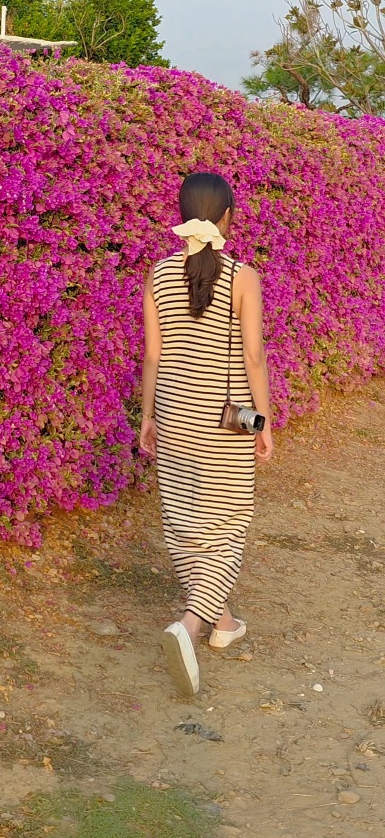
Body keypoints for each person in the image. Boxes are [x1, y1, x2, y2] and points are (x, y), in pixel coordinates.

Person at [139, 172, 274, 697]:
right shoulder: (243, 276)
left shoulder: (157, 274)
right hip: (227, 419)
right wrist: (263, 423)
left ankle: (221, 623)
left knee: (184, 520)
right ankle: (191, 626)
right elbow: (255, 358)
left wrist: (146, 415)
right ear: (228, 217)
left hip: (173, 414)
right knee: (227, 525)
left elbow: (152, 354)